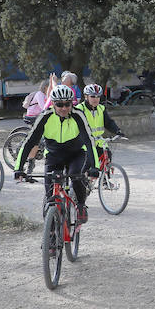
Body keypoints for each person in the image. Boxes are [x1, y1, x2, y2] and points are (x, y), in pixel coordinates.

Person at [14, 84, 99, 223]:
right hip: (54, 156)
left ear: (72, 103)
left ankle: (81, 205)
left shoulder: (78, 115)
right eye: (60, 104)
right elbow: (29, 143)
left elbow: (89, 141)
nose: (64, 108)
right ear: (53, 103)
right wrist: (19, 168)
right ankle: (51, 232)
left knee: (77, 177)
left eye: (67, 104)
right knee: (50, 194)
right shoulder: (45, 116)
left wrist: (95, 167)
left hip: (76, 154)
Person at [79, 83, 126, 149]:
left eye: (98, 96)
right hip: (85, 144)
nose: (96, 99)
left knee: (108, 156)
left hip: (100, 142)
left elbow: (108, 122)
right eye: (92, 96)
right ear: (86, 96)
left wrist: (117, 131)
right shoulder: (79, 109)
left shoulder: (101, 108)